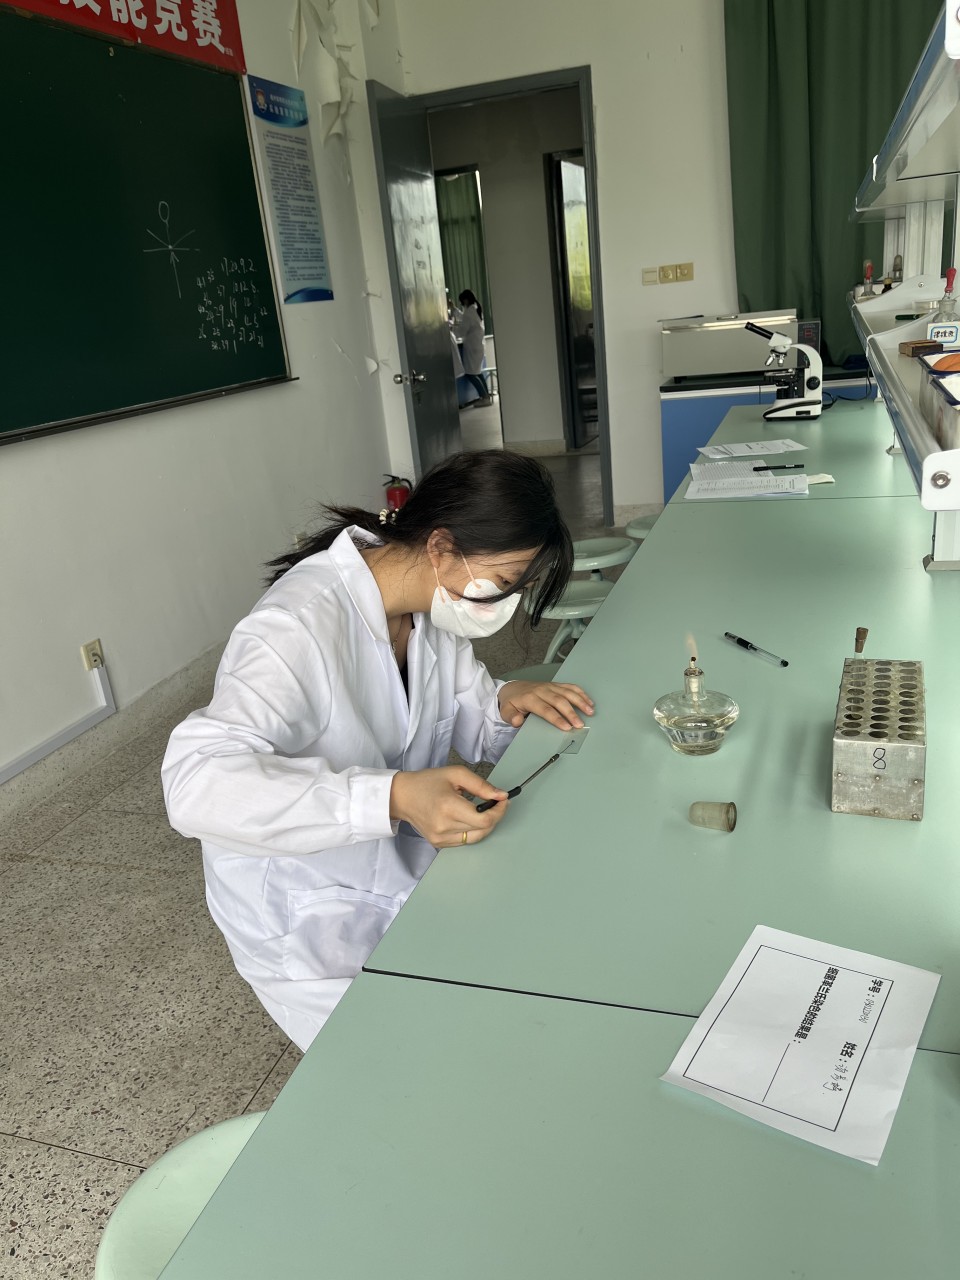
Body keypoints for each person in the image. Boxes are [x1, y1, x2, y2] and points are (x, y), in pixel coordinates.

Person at [162, 450, 594, 1050]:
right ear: (440, 546)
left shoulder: (427, 609)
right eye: (503, 583)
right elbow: (196, 785)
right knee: (388, 1061)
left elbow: (458, 709)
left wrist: (504, 702)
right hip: (304, 914)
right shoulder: (295, 627)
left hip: (395, 873)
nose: (504, 603)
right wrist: (390, 796)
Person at [450, 288, 491, 406]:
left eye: (462, 302)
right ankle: (486, 396)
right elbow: (464, 318)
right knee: (477, 372)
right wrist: (454, 309)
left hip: (473, 348)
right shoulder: (474, 309)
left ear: (466, 300)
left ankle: (485, 398)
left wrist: (451, 329)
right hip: (477, 346)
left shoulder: (470, 312)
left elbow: (462, 331)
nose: (462, 304)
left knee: (471, 374)